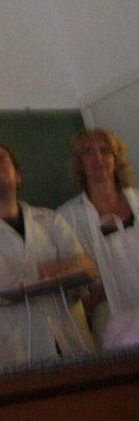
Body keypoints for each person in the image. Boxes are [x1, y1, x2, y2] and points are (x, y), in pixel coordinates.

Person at [0, 141, 98, 368]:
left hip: (75, 348)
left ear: (18, 175)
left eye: (1, 158)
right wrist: (64, 267)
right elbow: (0, 281)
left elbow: (88, 269)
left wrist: (27, 273)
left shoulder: (50, 219)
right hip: (15, 361)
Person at [57, 128, 139, 348]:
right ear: (79, 163)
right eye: (88, 152)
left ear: (116, 158)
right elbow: (72, 290)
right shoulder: (66, 217)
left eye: (105, 151)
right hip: (110, 327)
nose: (98, 158)